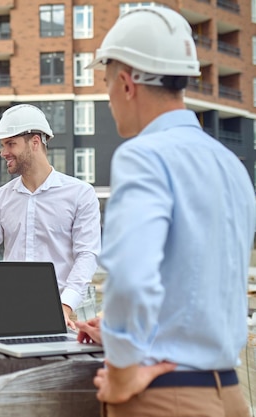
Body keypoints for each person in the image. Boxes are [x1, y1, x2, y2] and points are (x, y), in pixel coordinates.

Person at [79, 6, 255, 416]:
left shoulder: (142, 156)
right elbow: (204, 286)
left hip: (165, 398)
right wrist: (124, 331)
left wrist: (122, 372)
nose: (108, 99)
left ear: (125, 84)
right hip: (229, 393)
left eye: (106, 84)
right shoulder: (231, 164)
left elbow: (132, 279)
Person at [0, 104, 102, 329]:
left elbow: (87, 254)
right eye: (3, 145)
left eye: (10, 144)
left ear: (35, 142)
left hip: (62, 312)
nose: (3, 152)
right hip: (8, 309)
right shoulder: (1, 198)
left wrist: (64, 306)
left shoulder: (80, 194)